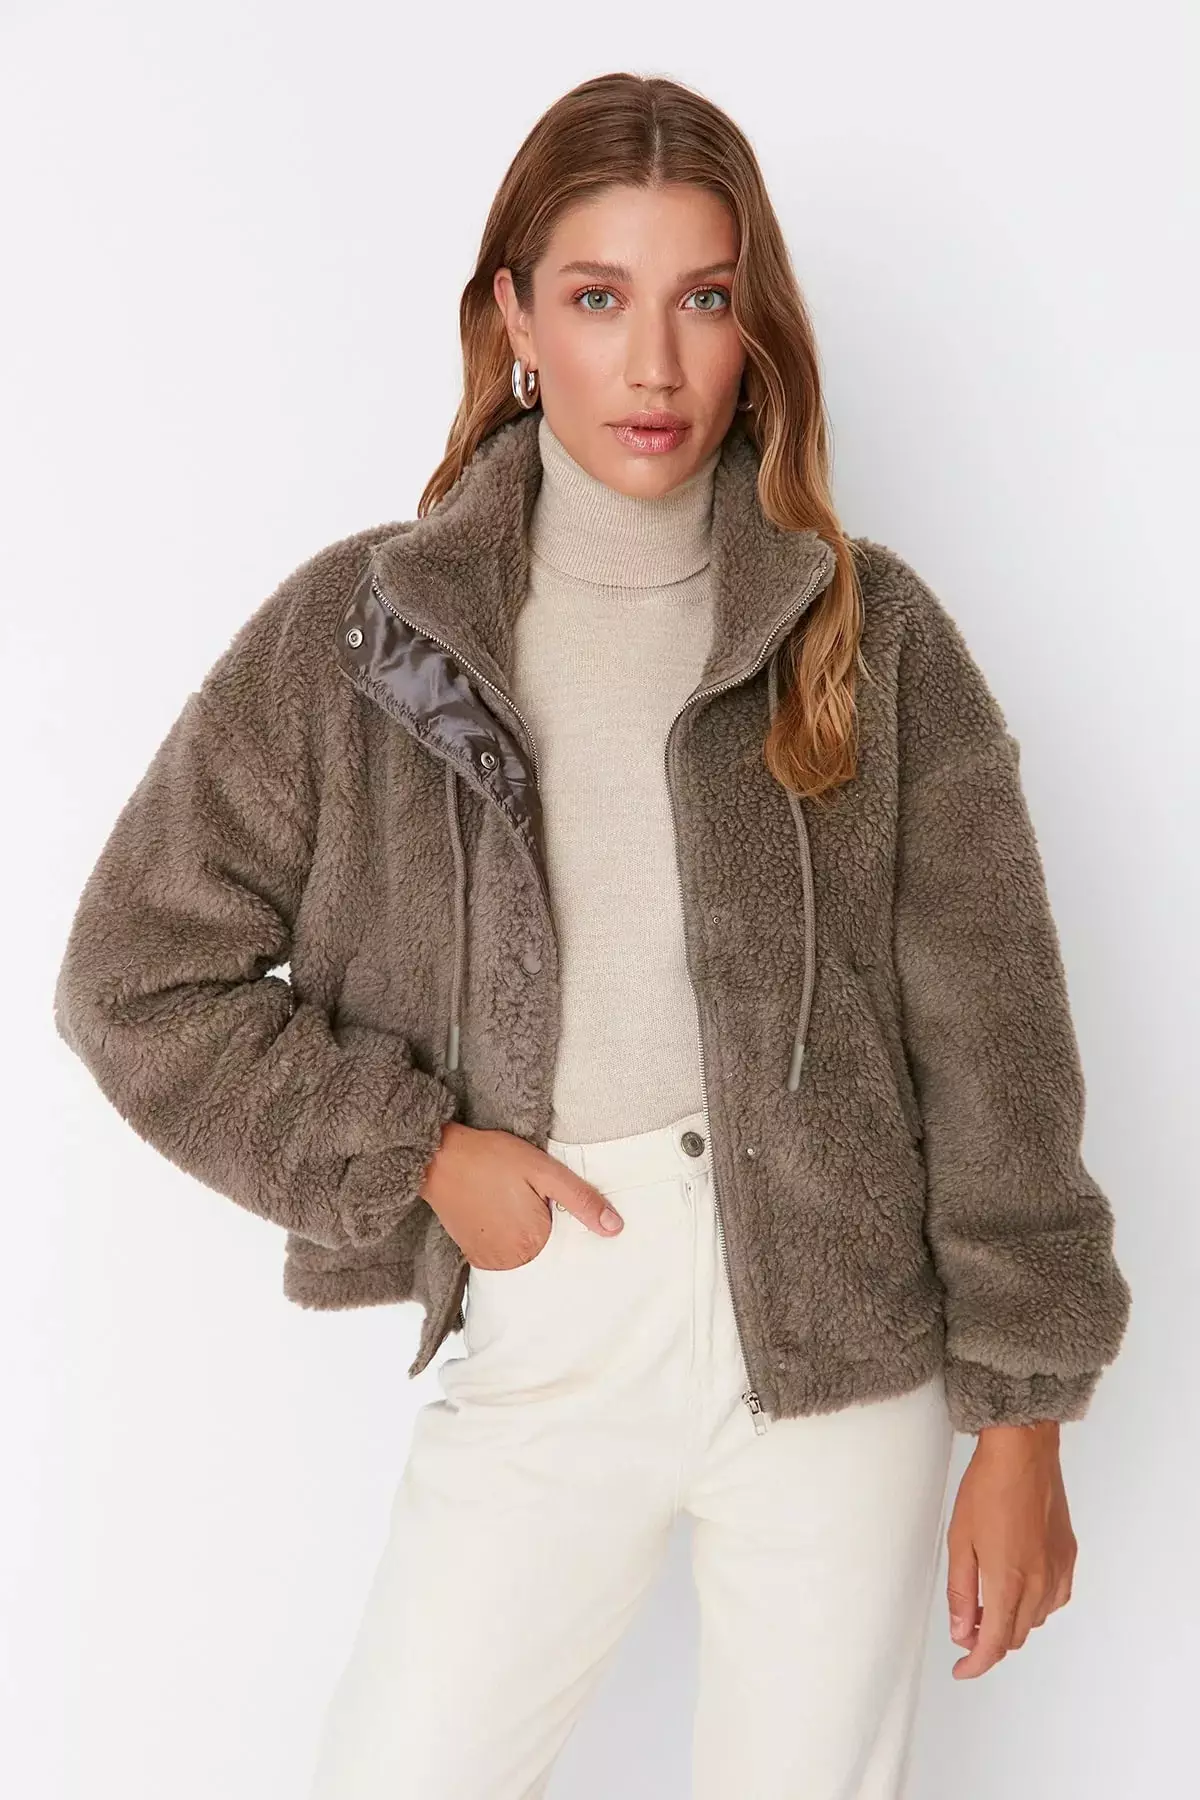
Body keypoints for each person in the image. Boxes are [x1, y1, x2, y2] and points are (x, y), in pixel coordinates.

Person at [52, 70, 1131, 1800]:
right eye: (598, 296)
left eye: (702, 298)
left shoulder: (868, 634)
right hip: (559, 1292)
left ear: (754, 326)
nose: (654, 363)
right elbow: (133, 975)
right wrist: (421, 1156)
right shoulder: (368, 635)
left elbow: (995, 1038)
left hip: (841, 1331)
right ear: (517, 319)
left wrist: (1026, 1419)